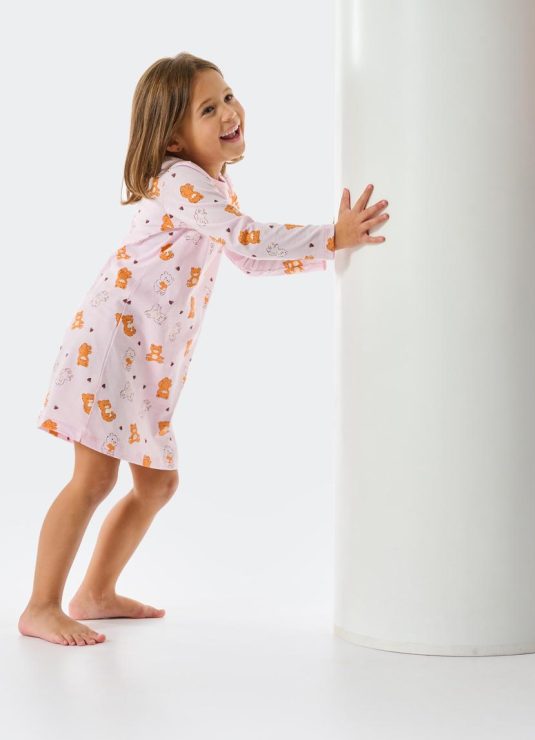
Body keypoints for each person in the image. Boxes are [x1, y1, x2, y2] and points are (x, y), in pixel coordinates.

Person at [18, 52, 390, 646]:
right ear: (172, 138)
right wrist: (332, 236)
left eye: (229, 97)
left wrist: (334, 255)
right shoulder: (180, 181)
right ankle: (41, 605)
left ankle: (96, 594)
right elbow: (248, 237)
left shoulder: (214, 183)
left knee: (157, 485)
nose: (229, 113)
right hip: (112, 345)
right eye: (208, 109)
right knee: (92, 479)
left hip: (148, 359)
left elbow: (247, 259)